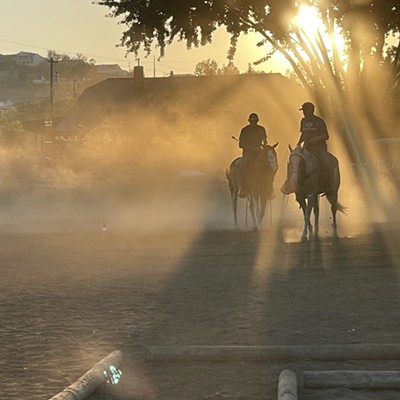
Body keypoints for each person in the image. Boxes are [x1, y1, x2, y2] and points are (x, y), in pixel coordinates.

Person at [281, 101, 332, 194]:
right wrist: (298, 143)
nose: (304, 112)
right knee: (294, 160)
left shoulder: (319, 121)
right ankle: (290, 183)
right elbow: (303, 134)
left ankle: (328, 184)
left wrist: (317, 139)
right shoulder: (303, 121)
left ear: (311, 110)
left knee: (326, 162)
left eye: (305, 110)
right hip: (307, 147)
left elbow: (326, 135)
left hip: (319, 148)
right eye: (303, 111)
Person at [237, 113, 267, 198]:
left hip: (259, 153)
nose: (253, 122)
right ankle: (243, 187)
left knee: (269, 165)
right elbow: (241, 144)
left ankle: (269, 188)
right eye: (252, 121)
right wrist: (251, 148)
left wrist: (264, 146)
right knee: (242, 166)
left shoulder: (262, 129)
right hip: (248, 153)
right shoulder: (245, 130)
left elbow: (265, 140)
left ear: (257, 121)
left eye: (255, 121)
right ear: (249, 121)